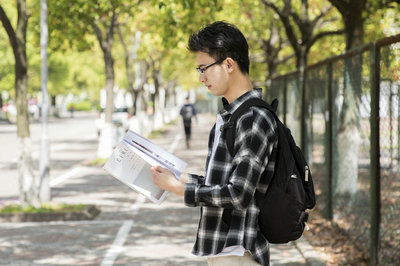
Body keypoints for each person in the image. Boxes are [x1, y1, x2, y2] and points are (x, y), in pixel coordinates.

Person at [150, 21, 277, 266]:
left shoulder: (252, 118)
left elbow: (238, 194)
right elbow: (224, 184)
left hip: (239, 252)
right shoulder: (232, 116)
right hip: (225, 251)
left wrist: (179, 189)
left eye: (204, 68)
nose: (201, 78)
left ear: (228, 64)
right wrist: (179, 178)